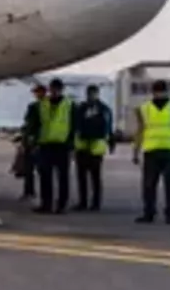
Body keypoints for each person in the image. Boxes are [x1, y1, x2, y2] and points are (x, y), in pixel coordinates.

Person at [132, 79, 170, 224]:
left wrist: (135, 151)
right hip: (169, 151)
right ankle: (169, 215)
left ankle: (150, 213)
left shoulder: (145, 108)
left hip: (156, 150)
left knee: (151, 184)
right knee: (167, 185)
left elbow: (139, 131)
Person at [28, 78, 75, 213]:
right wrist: (33, 141)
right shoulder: (42, 104)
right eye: (52, 89)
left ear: (61, 90)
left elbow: (74, 126)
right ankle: (46, 204)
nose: (54, 92)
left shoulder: (69, 105)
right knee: (45, 176)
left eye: (57, 90)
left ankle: (61, 204)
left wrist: (72, 146)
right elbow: (35, 124)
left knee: (63, 177)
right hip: (45, 144)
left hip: (62, 145)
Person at [72, 84, 114, 211]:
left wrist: (111, 142)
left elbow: (108, 127)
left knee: (95, 177)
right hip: (82, 145)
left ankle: (95, 203)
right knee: (82, 176)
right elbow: (76, 125)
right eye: (90, 93)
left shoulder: (103, 109)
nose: (91, 96)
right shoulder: (82, 108)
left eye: (93, 93)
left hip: (96, 146)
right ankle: (83, 201)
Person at [19, 83, 46, 200]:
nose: (36, 94)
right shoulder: (33, 106)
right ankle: (29, 191)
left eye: (38, 92)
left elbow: (31, 124)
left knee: (39, 168)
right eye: (36, 92)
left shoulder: (43, 107)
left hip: (38, 140)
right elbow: (27, 124)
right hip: (32, 140)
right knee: (29, 168)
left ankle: (33, 191)